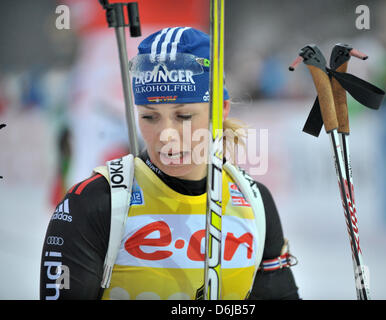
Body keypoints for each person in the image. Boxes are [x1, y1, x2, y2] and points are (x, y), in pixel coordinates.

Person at [40, 27, 300, 300]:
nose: (166, 136)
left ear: (221, 109)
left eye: (184, 116)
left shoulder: (254, 202)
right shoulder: (95, 202)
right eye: (150, 117)